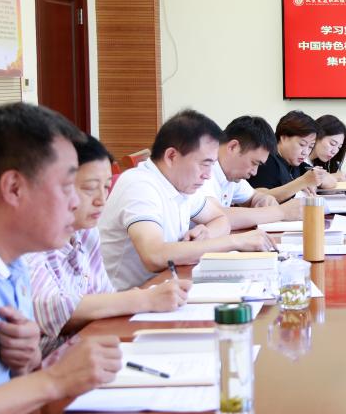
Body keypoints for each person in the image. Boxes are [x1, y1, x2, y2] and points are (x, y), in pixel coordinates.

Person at [0, 102, 122, 414]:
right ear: (14, 188)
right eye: (67, 186)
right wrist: (52, 380)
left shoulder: (13, 262)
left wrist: (24, 364)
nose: (75, 202)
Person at [25, 134, 191, 355]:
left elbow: (104, 294)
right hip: (54, 364)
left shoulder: (86, 231)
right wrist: (144, 299)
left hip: (90, 348)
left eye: (106, 187)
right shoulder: (29, 240)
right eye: (89, 188)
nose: (101, 200)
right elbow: (49, 309)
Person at [99, 109, 271, 291]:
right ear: (172, 156)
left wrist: (207, 234)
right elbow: (154, 256)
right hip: (128, 300)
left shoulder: (181, 183)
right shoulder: (139, 184)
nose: (208, 175)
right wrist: (236, 242)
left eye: (212, 165)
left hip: (166, 287)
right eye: (204, 164)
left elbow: (221, 219)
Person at [208, 116, 308, 229]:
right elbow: (214, 216)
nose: (255, 172)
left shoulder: (231, 174)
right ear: (233, 147)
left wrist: (264, 199)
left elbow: (253, 197)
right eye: (254, 163)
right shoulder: (204, 169)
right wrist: (281, 212)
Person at [248, 111, 325, 202]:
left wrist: (314, 181)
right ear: (283, 137)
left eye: (310, 147)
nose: (305, 152)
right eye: (302, 144)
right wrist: (302, 182)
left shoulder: (295, 162)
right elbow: (259, 199)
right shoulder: (267, 161)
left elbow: (328, 180)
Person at [309, 114, 346, 187]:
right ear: (317, 136)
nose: (334, 151)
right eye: (332, 144)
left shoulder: (322, 164)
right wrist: (332, 177)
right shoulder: (299, 160)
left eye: (339, 147)